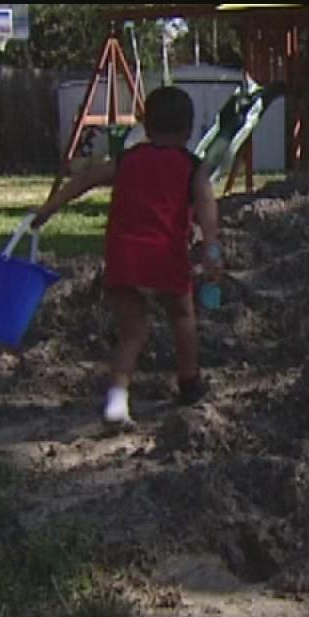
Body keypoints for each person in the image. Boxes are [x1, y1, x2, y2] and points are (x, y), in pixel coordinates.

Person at [31, 86, 220, 424]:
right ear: (189, 130)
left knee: (132, 333)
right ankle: (189, 382)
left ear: (146, 128)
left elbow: (86, 178)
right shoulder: (193, 168)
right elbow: (207, 209)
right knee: (182, 316)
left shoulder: (128, 159)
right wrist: (211, 249)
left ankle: (117, 400)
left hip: (125, 256)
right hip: (165, 257)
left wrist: (49, 208)